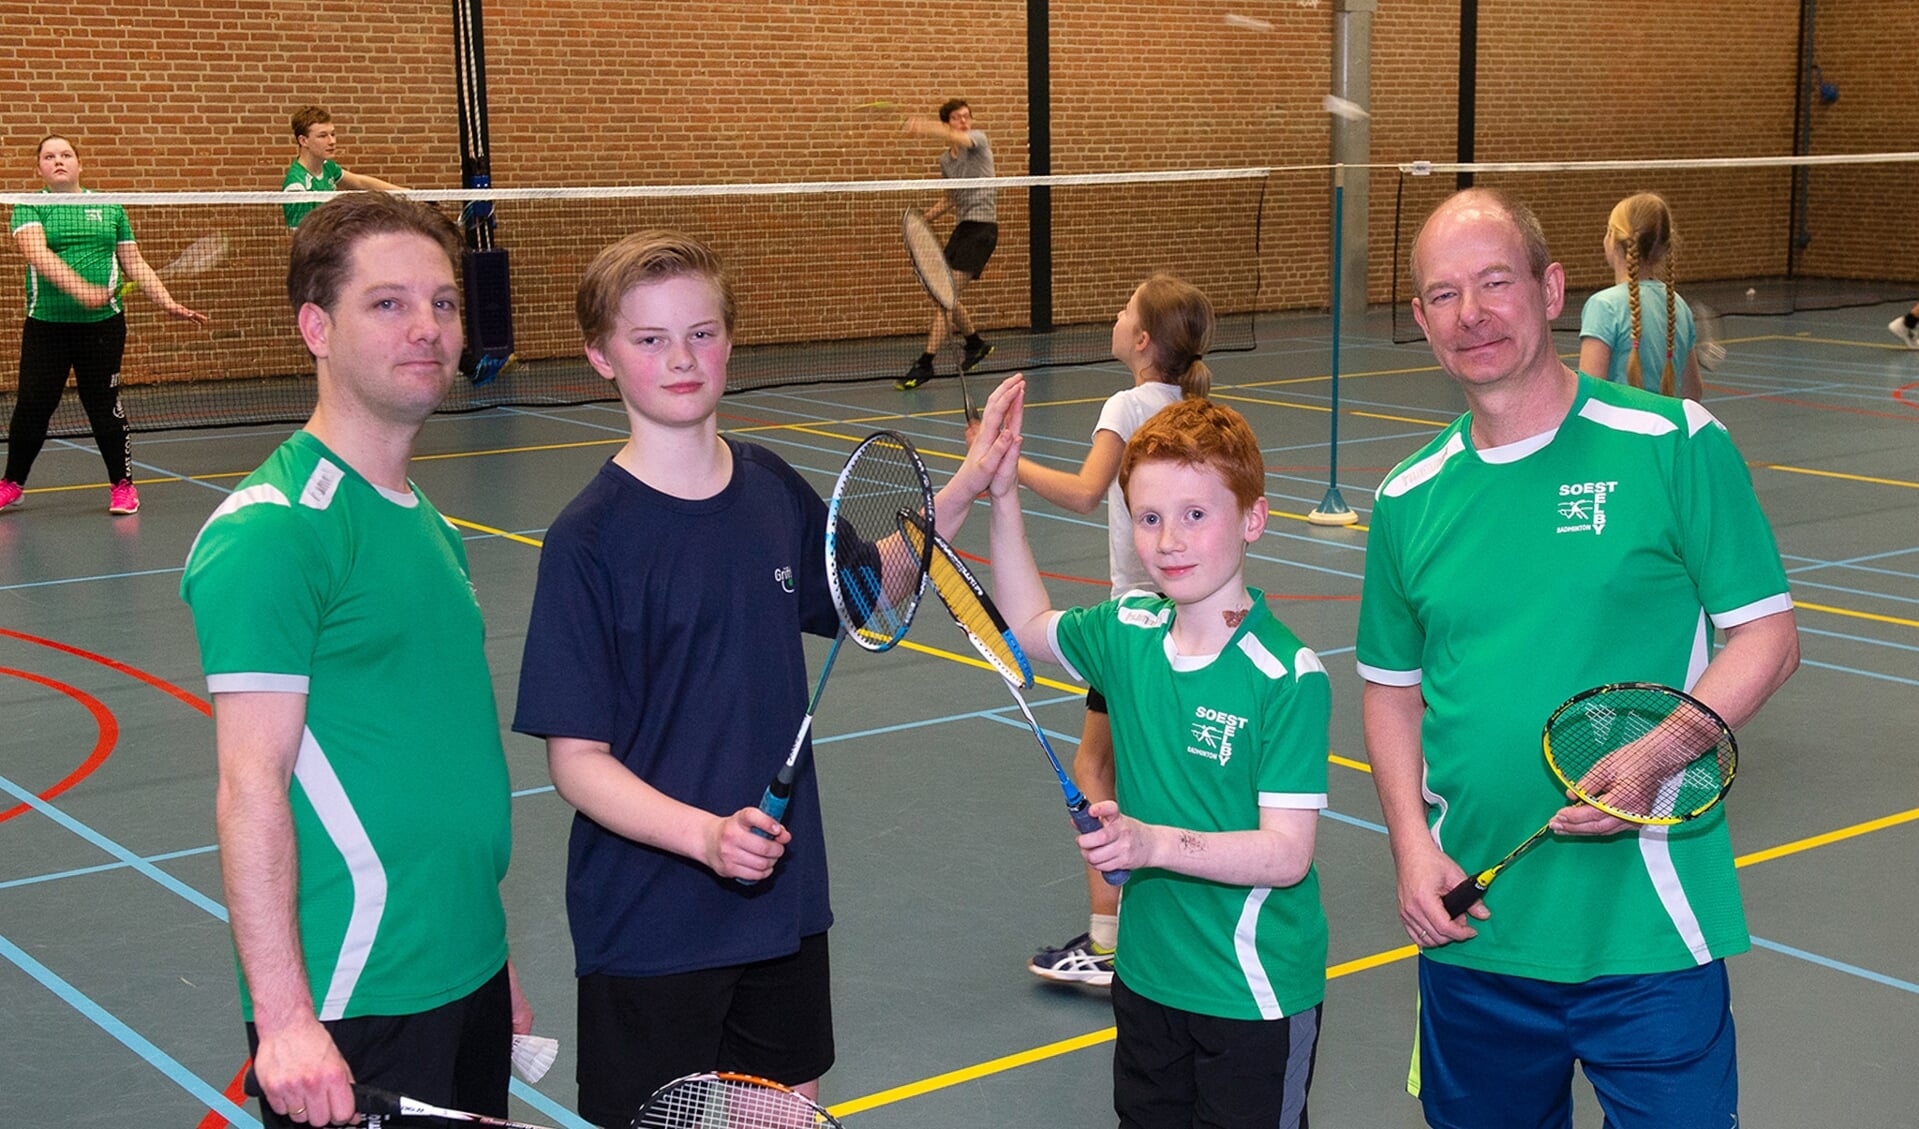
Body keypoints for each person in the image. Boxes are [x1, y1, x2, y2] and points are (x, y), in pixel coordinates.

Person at [511, 229, 1018, 1127]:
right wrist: (704, 837)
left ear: (730, 342)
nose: (681, 358)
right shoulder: (586, 542)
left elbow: (862, 587)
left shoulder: (769, 487)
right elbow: (576, 762)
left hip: (780, 908)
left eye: (701, 333)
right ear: (600, 358)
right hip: (649, 927)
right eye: (650, 339)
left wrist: (970, 481)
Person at [1358, 187, 1800, 1128]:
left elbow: (1766, 635)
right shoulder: (1406, 496)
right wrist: (1407, 846)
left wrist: (1648, 758)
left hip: (1646, 934)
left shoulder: (1671, 444)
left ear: (1551, 289)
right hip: (1474, 930)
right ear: (1419, 320)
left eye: (1493, 282)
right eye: (1443, 294)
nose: (1470, 313)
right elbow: (1390, 692)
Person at [180, 192, 531, 1129]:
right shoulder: (273, 532)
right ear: (315, 327)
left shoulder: (429, 523)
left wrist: (492, 961)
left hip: (465, 969)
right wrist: (285, 1018)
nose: (427, 327)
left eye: (444, 302)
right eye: (388, 303)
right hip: (355, 997)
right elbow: (250, 783)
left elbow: (430, 753)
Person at [986, 385, 1331, 1129]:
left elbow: (1285, 855)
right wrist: (1004, 495)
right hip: (1145, 980)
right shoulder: (1128, 628)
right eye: (1148, 517)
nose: (1167, 539)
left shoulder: (1288, 676)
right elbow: (1026, 624)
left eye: (1193, 515)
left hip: (1250, 993)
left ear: (1252, 519)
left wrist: (1148, 842)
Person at [1012, 273, 1216, 988]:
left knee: (1095, 771)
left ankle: (1106, 941)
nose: (1116, 311)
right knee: (1163, 770)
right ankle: (1173, 926)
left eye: (1126, 307)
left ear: (1140, 340)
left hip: (1131, 624)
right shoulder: (1195, 407)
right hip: (1190, 617)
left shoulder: (1127, 403)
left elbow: (1082, 490)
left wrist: (1005, 464)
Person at [1, 134, 208, 516]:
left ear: (79, 164)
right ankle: (12, 484)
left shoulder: (109, 206)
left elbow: (135, 263)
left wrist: (167, 302)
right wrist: (83, 289)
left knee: (103, 405)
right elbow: (36, 253)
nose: (58, 161)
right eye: (49, 156)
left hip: (102, 327)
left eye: (66, 155)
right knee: (32, 406)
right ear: (39, 168)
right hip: (47, 326)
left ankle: (123, 485)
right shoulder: (29, 205)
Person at [896, 98, 997, 390]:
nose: (964, 121)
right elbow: (951, 198)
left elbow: (959, 138)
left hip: (983, 229)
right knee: (944, 295)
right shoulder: (945, 161)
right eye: (956, 118)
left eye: (967, 116)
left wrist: (922, 126)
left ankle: (926, 362)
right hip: (963, 228)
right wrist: (923, 220)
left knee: (945, 296)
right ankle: (975, 343)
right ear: (947, 122)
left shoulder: (977, 140)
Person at [1577, 192, 1702, 399]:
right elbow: (1693, 393)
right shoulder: (1678, 305)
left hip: (1618, 432)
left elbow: (1588, 397)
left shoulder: (1603, 306)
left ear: (1613, 240)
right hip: (1670, 430)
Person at [282, 106, 406, 230]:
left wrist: (411, 195)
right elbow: (303, 241)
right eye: (322, 136)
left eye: (333, 134)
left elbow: (360, 182)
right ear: (303, 141)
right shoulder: (297, 187)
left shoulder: (327, 166)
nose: (332, 141)